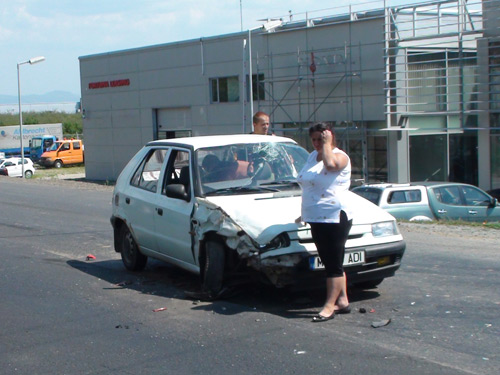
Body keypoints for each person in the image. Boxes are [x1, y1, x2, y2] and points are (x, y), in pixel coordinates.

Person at [296, 122, 353, 323]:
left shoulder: (340, 156)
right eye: (314, 139)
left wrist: (328, 145)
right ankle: (343, 301)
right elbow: (309, 184)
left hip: (334, 215)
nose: (317, 143)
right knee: (330, 260)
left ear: (330, 136)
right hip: (316, 216)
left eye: (321, 138)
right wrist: (303, 213)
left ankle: (329, 306)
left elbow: (330, 165)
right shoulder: (312, 156)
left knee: (333, 264)